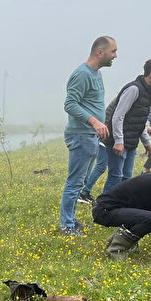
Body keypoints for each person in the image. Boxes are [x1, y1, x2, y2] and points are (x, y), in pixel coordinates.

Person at [59, 36, 117, 235]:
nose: (115, 56)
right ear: (100, 52)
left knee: (80, 182)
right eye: (113, 51)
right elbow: (70, 104)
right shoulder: (82, 74)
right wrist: (94, 121)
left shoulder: (96, 74)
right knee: (75, 181)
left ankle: (71, 221)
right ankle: (67, 226)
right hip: (80, 135)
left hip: (90, 136)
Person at [100, 58, 151, 193]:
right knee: (115, 177)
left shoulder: (148, 92)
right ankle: (104, 204)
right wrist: (119, 141)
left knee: (126, 178)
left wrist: (147, 143)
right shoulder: (134, 89)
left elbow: (140, 120)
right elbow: (118, 116)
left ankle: (120, 204)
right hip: (119, 143)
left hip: (131, 143)